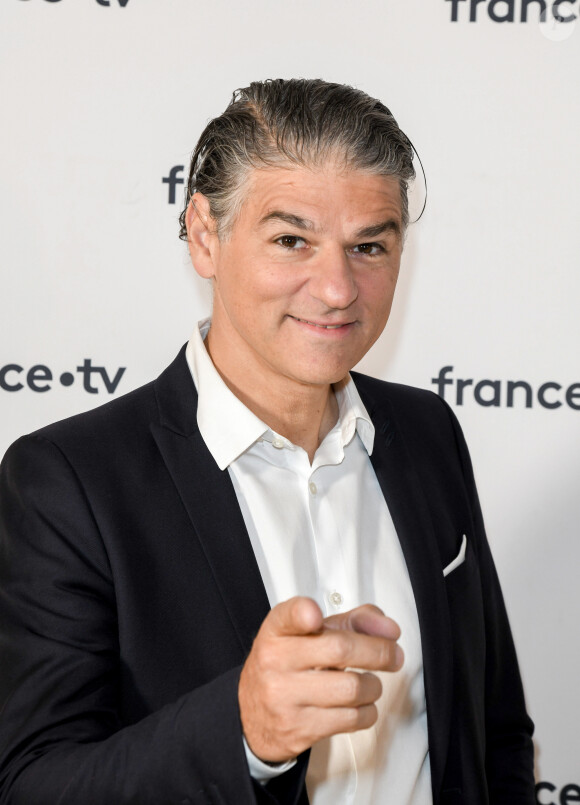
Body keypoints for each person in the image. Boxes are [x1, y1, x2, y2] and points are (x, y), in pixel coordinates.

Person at [0, 79, 535, 804]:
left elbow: (494, 728)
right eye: (292, 240)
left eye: (368, 245)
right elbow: (32, 784)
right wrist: (244, 731)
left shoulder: (429, 433)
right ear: (203, 234)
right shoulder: (71, 482)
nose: (339, 287)